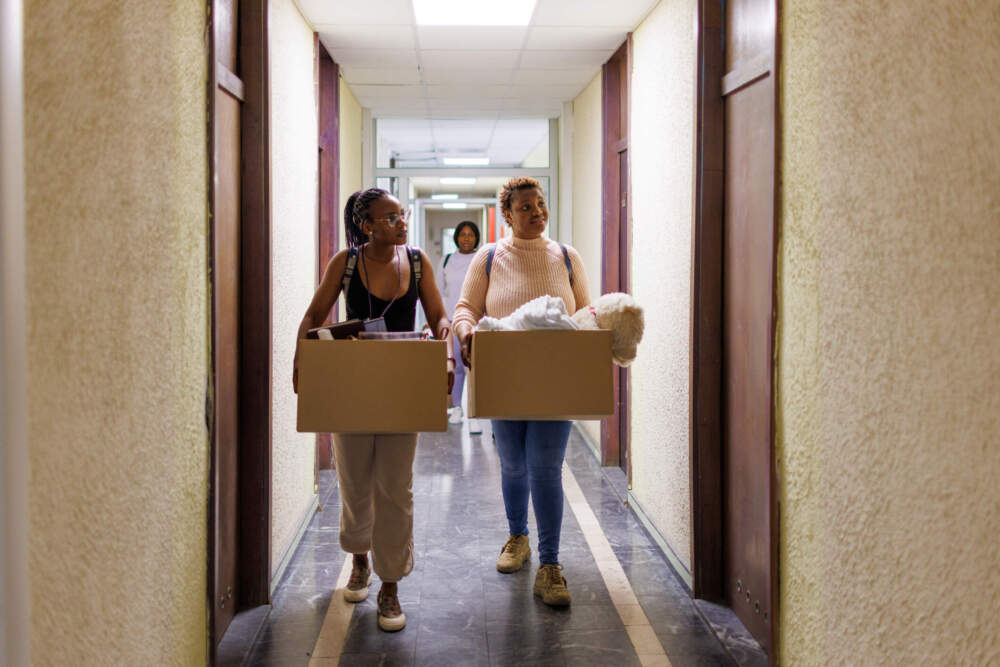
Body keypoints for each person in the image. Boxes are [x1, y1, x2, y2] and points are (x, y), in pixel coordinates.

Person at [293, 187, 455, 632]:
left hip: (402, 387)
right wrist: (300, 358)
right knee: (355, 480)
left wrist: (444, 349)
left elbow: (439, 316)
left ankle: (390, 585)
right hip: (353, 386)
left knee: (395, 488)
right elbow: (314, 316)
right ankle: (359, 558)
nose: (402, 223)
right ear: (366, 225)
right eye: (390, 217)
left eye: (402, 215)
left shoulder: (418, 262)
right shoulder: (345, 263)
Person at [452, 177, 591, 607]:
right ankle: (518, 536)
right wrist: (465, 331)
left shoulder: (567, 257)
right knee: (513, 465)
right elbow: (465, 309)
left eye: (541, 204)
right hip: (505, 379)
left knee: (546, 467)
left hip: (555, 380)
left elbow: (587, 311)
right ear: (507, 214)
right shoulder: (489, 258)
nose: (537, 212)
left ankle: (550, 565)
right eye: (526, 207)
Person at [436, 220, 480, 423]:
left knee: (480, 366)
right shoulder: (446, 261)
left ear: (476, 238)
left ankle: (480, 409)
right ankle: (456, 408)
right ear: (456, 238)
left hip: (477, 320)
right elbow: (437, 292)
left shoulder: (481, 259)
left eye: (471, 234)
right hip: (452, 320)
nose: (466, 238)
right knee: (457, 366)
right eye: (463, 234)